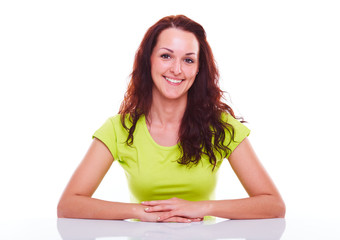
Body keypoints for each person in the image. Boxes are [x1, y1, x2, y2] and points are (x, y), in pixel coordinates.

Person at [57, 15, 285, 223]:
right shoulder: (119, 129)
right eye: (166, 56)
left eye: (188, 60)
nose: (177, 69)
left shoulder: (219, 126)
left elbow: (273, 205)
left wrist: (200, 208)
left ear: (198, 69)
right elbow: (69, 204)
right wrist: (143, 212)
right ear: (149, 61)